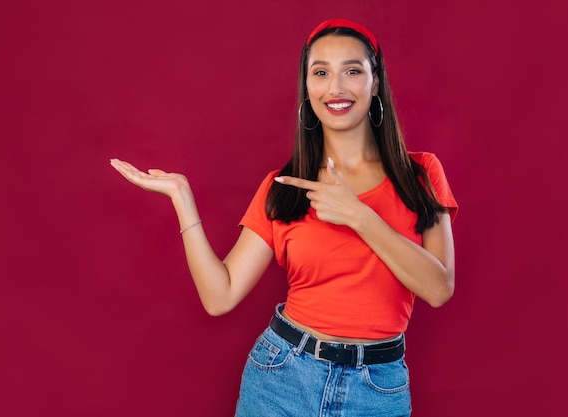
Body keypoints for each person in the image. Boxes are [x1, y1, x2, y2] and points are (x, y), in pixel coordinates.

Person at [110, 18, 457, 417]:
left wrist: (359, 216)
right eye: (321, 72)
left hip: (377, 390)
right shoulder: (283, 187)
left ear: (375, 82)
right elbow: (219, 297)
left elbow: (439, 287)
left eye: (353, 71)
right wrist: (182, 199)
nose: (336, 87)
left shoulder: (421, 176)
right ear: (307, 88)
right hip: (282, 378)